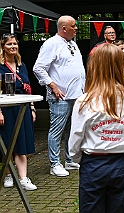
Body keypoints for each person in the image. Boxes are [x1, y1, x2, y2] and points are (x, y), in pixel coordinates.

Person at [69, 44, 124, 213]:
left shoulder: (84, 101)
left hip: (93, 163)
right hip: (123, 162)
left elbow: (75, 138)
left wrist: (79, 158)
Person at [33, 15, 86, 176]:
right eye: (73, 26)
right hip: (60, 96)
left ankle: (69, 160)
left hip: (76, 95)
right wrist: (53, 86)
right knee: (57, 130)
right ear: (64, 28)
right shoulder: (51, 44)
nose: (76, 28)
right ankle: (54, 164)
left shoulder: (72, 44)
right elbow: (38, 68)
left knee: (72, 128)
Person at [0, 34, 37, 190]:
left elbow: (28, 88)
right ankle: (8, 174)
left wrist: (32, 107)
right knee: (7, 142)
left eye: (15, 43)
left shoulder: (22, 65)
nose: (13, 46)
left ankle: (23, 178)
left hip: (23, 107)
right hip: (6, 108)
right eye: (9, 44)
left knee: (22, 142)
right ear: (3, 47)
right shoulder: (0, 66)